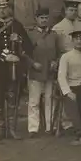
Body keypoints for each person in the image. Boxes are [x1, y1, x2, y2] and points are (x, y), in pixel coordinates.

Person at [0, 0, 33, 141]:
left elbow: (28, 47)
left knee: (13, 98)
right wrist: (4, 56)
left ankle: (12, 129)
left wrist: (19, 41)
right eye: (0, 8)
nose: (2, 11)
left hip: (13, 69)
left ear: (10, 9)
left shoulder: (17, 26)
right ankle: (1, 130)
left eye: (5, 8)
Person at [25, 7, 60, 138]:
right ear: (36, 19)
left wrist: (55, 62)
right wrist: (32, 63)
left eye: (46, 18)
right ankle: (33, 129)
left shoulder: (54, 35)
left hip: (49, 72)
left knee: (50, 99)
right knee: (34, 101)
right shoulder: (30, 34)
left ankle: (49, 127)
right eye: (41, 18)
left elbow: (59, 51)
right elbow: (24, 53)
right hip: (36, 71)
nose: (44, 20)